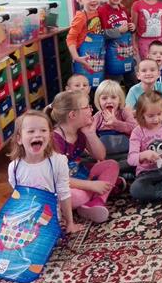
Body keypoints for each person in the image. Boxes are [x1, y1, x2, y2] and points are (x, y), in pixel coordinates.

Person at [49, 91, 120, 223]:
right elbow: (58, 179)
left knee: (111, 165)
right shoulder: (55, 140)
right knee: (76, 197)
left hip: (81, 175)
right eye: (87, 107)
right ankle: (95, 196)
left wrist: (90, 133)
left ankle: (96, 201)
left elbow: (100, 155)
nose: (91, 110)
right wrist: (91, 185)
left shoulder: (80, 131)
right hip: (64, 185)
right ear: (72, 115)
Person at [7, 110, 83, 234]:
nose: (38, 135)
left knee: (40, 235)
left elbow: (64, 192)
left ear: (50, 136)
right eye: (31, 131)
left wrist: (70, 223)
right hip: (25, 215)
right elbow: (18, 196)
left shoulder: (58, 162)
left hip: (48, 216)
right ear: (19, 139)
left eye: (43, 130)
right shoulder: (14, 167)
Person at [97, 0, 137, 90]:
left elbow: (128, 29)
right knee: (113, 86)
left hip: (127, 54)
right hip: (112, 57)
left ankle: (133, 101)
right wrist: (118, 31)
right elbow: (101, 34)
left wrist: (132, 27)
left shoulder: (123, 10)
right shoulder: (102, 11)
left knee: (133, 83)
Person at [66, 0, 105, 88]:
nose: (93, 0)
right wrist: (76, 57)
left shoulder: (98, 12)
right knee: (83, 88)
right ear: (79, 0)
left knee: (96, 86)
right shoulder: (81, 17)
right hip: (83, 58)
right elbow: (70, 38)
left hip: (97, 56)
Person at [91, 79, 137, 156]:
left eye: (113, 97)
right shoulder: (98, 116)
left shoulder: (124, 112)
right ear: (98, 101)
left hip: (125, 153)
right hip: (105, 154)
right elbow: (90, 134)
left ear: (119, 100)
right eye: (104, 98)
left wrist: (115, 123)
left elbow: (135, 129)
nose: (109, 101)